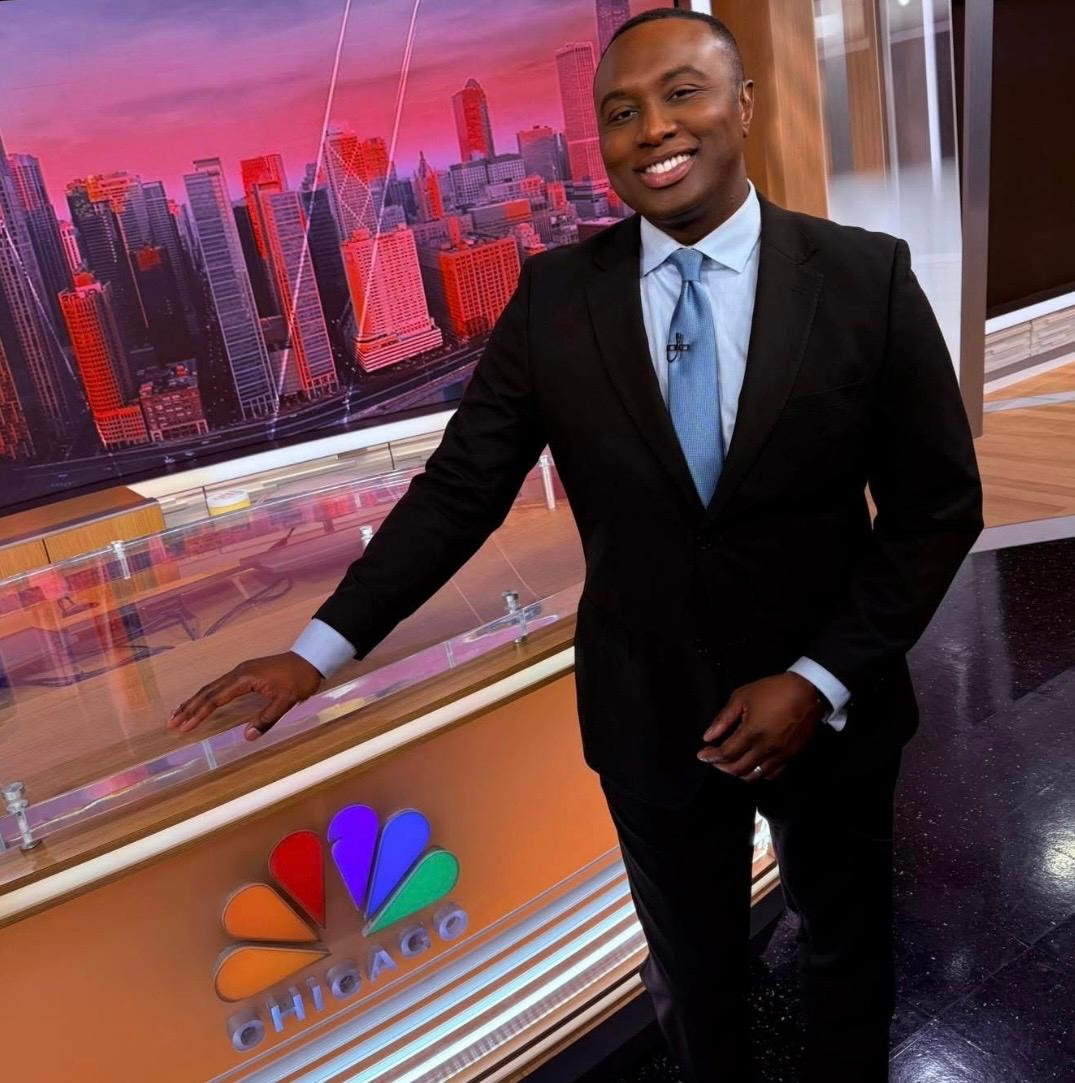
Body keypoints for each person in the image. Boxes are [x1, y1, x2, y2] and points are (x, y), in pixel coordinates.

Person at [169, 9, 983, 1081]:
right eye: (620, 112)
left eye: (681, 93)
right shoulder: (554, 297)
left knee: (845, 950)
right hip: (650, 714)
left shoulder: (863, 276)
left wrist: (817, 677)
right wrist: (317, 650)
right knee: (693, 974)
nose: (653, 129)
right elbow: (460, 490)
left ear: (743, 104)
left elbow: (935, 507)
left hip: (829, 712)